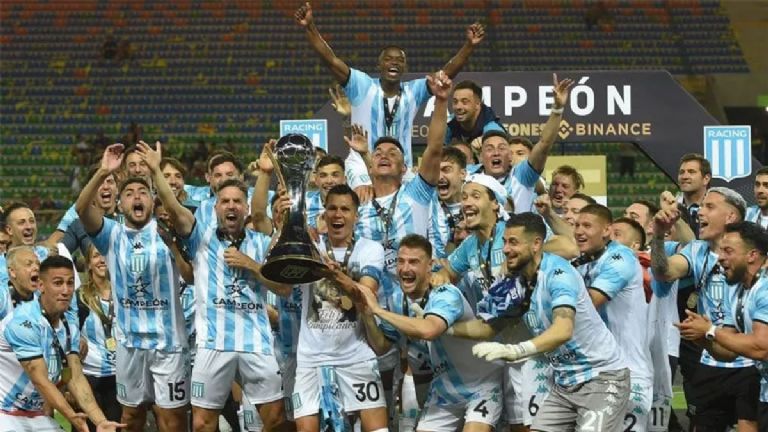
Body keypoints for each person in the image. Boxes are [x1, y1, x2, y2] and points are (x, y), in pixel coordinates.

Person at [143, 141, 290, 432]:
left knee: (275, 419)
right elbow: (173, 207)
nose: (231, 206)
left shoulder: (261, 242)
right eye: (225, 202)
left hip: (256, 342)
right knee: (202, 423)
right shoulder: (201, 237)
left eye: (237, 201)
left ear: (246, 208)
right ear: (215, 207)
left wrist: (252, 266)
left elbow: (283, 289)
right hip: (213, 344)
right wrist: (156, 171)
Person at [295, 1, 485, 192]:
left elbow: (446, 74)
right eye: (388, 59)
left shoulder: (414, 91)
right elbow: (331, 60)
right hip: (361, 165)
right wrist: (310, 27)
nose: (394, 63)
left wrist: (469, 46)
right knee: (365, 197)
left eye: (399, 60)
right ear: (379, 65)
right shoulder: (362, 85)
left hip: (402, 168)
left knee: (421, 200)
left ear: (404, 67)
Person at [470, 213, 630, 431]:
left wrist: (516, 350)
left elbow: (563, 330)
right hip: (564, 384)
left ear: (536, 244)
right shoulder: (517, 280)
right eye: (504, 242)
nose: (505, 249)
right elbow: (486, 328)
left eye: (513, 242)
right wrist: (442, 326)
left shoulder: (558, 274)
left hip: (602, 377)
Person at [76, 143, 189, 432]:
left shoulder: (166, 230)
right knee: (131, 416)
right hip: (129, 344)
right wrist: (103, 172)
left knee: (172, 419)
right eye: (128, 193)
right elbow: (82, 209)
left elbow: (190, 273)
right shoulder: (111, 234)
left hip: (169, 344)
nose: (136, 197)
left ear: (152, 200)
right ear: (119, 204)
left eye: (143, 192)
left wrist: (156, 171)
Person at [358, 234, 505, 432]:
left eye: (413, 262)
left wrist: (378, 311)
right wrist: (367, 314)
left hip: (481, 385)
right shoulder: (396, 300)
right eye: (401, 261)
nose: (405, 268)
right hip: (444, 391)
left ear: (430, 265)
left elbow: (429, 330)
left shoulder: (445, 293)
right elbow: (382, 346)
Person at [651, 187, 759, 431]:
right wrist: (658, 236)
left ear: (731, 216)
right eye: (701, 206)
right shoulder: (697, 250)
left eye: (709, 207)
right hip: (711, 360)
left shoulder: (754, 253)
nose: (700, 212)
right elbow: (663, 272)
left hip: (750, 364)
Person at [290, 184, 388, 432]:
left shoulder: (370, 249)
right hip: (310, 358)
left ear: (356, 215)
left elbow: (366, 294)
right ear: (324, 213)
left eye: (345, 209)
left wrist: (333, 274)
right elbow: (281, 286)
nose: (338, 214)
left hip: (356, 356)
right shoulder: (310, 248)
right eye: (332, 208)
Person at [0, 256, 124, 432]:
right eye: (58, 283)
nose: (66, 290)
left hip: (35, 415)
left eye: (70, 283)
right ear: (41, 285)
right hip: (4, 413)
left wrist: (100, 421)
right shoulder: (24, 322)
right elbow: (40, 380)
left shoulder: (69, 326)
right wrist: (72, 416)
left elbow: (75, 377)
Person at [676, 221, 768, 431]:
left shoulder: (765, 288)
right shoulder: (737, 291)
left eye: (728, 251)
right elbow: (729, 353)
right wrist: (703, 338)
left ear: (752, 255)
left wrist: (711, 330)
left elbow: (762, 348)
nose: (720, 257)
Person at [573, 204, 654, 431]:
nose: (579, 231)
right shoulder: (583, 263)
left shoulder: (621, 256)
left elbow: (588, 304)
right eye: (577, 225)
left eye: (587, 225)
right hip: (594, 374)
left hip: (629, 373)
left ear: (605, 231)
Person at [469, 74, 573, 214]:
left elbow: (544, 144)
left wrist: (557, 108)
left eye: (502, 148)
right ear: (481, 156)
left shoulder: (521, 176)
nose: (496, 152)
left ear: (509, 156)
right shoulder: (469, 176)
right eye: (489, 148)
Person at [77, 245, 122, 432]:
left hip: (120, 376)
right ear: (88, 264)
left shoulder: (123, 293)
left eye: (105, 255)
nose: (102, 260)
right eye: (96, 256)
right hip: (90, 377)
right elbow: (68, 331)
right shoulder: (80, 297)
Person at [444, 80, 505, 145]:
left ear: (477, 104)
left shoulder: (492, 130)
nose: (458, 107)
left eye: (464, 102)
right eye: (455, 102)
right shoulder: (450, 123)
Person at [676, 153, 712, 237]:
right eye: (681, 172)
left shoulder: (716, 211)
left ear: (706, 179)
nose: (684, 176)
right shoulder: (672, 209)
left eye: (691, 172)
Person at [0, 246, 40, 320]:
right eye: (28, 264)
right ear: (12, 272)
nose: (36, 268)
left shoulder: (42, 295)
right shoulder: (2, 296)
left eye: (38, 264)